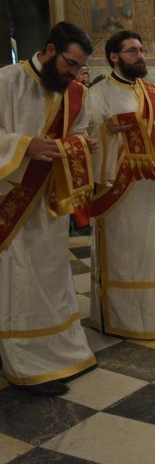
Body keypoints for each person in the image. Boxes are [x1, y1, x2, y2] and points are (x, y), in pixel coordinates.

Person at [0, 22, 98, 395]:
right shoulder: (6, 81)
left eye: (80, 67)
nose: (75, 74)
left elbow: (80, 132)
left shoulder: (76, 93)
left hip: (51, 203)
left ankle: (57, 353)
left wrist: (83, 145)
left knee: (52, 280)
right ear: (50, 50)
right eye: (71, 64)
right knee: (19, 283)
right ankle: (25, 365)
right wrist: (25, 146)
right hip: (13, 204)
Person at [87, 30, 155, 339]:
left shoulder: (152, 92)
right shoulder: (98, 94)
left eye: (141, 50)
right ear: (114, 57)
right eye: (132, 51)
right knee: (125, 251)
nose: (140, 55)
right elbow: (88, 138)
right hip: (119, 193)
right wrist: (107, 131)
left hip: (153, 190)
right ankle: (126, 319)